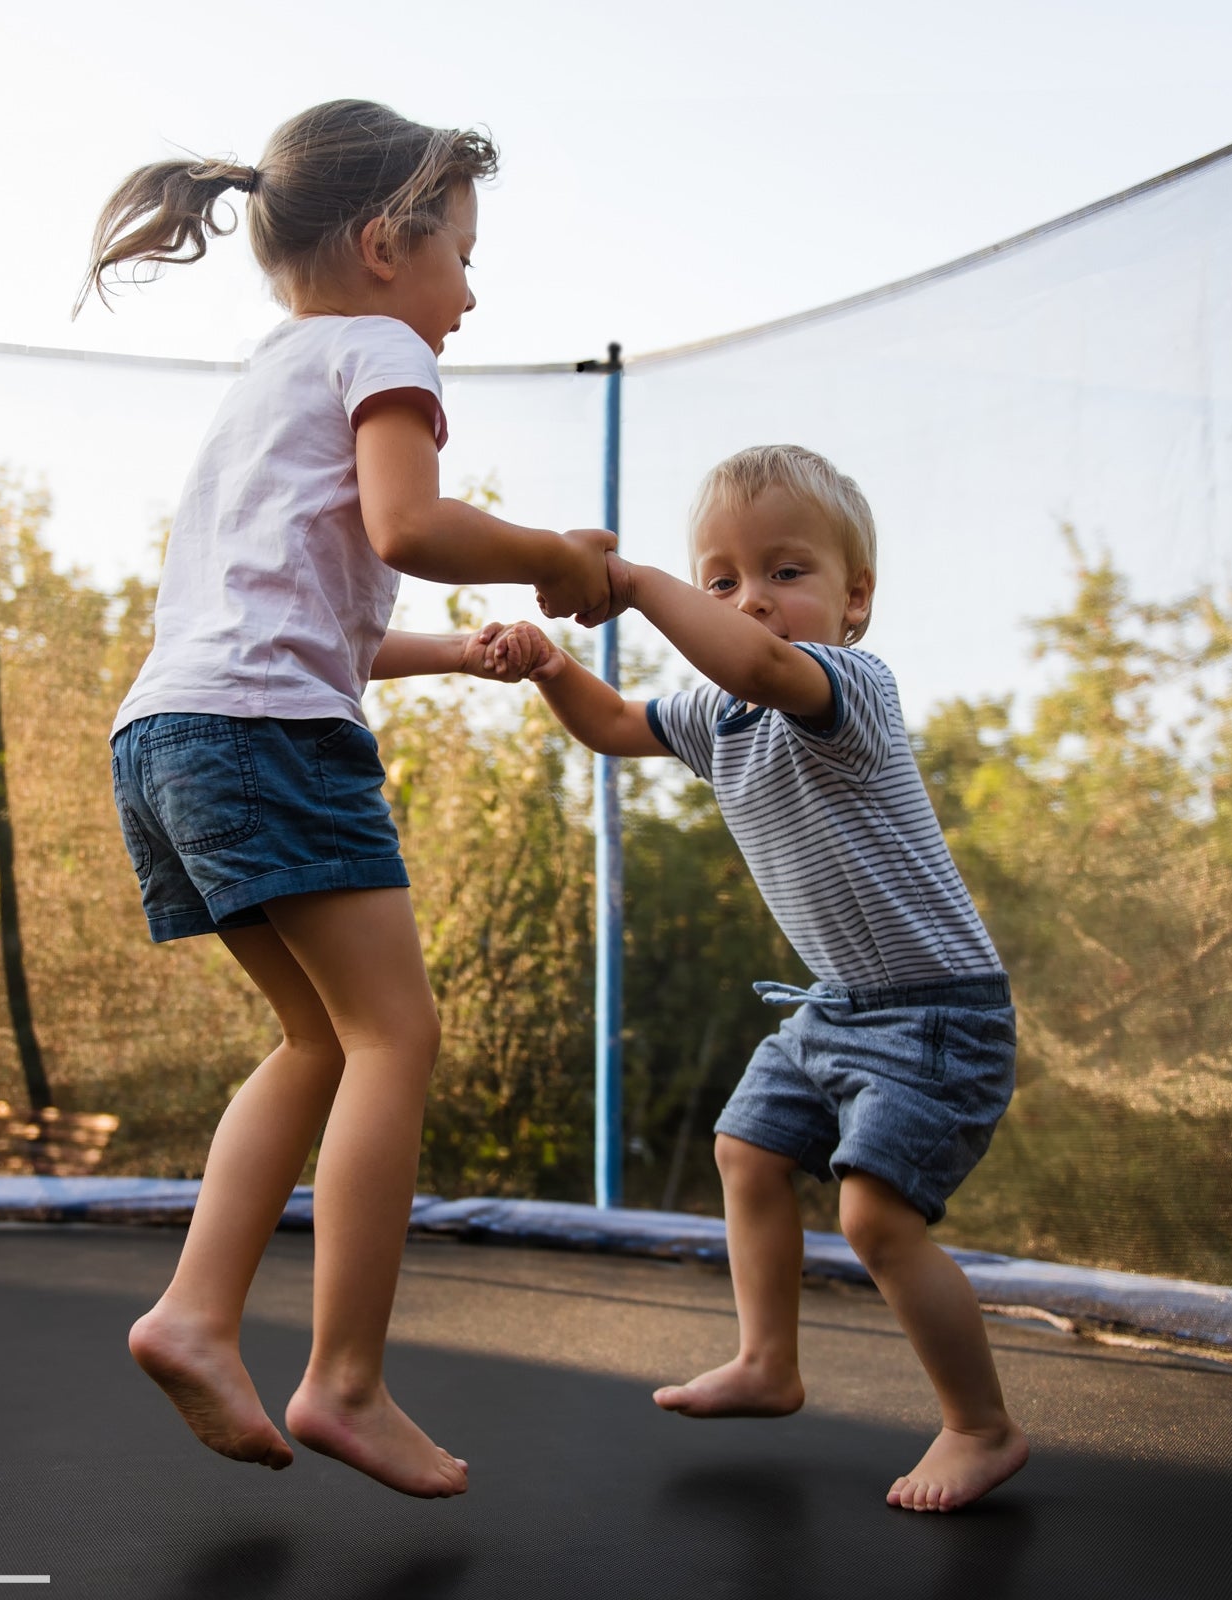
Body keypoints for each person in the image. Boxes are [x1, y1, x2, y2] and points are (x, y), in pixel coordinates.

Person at [80, 99, 612, 1500]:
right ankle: (346, 1379)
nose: (470, 293)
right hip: (266, 739)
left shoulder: (267, 377)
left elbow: (328, 613)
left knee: (318, 1040)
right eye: (461, 255)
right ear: (387, 244)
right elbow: (410, 527)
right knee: (396, 1037)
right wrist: (555, 556)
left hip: (169, 734)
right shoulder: (380, 349)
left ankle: (195, 1316)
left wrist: (462, 650)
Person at [493, 444, 1029, 1511]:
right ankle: (768, 1363)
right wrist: (555, 668)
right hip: (834, 1004)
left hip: (936, 1011)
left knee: (875, 1221)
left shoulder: (847, 687)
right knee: (746, 1150)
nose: (752, 602)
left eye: (786, 573)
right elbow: (611, 725)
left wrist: (641, 583)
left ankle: (981, 1425)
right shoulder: (712, 717)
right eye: (723, 580)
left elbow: (753, 665)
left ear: (854, 599)